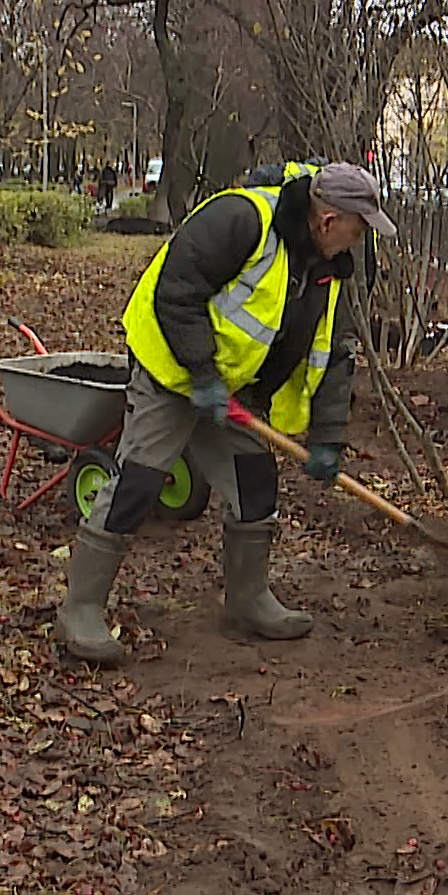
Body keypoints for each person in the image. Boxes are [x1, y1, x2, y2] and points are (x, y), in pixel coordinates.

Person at [56, 164, 397, 667]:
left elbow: (333, 354)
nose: (361, 240)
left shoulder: (327, 272)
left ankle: (247, 600)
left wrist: (328, 440)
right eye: (359, 227)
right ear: (328, 220)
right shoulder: (241, 219)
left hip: (229, 388)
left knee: (255, 482)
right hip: (171, 370)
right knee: (139, 484)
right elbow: (176, 291)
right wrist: (201, 375)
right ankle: (80, 609)